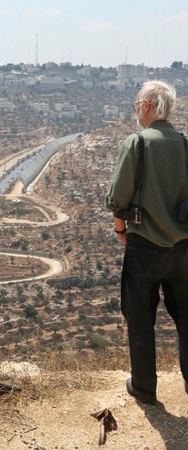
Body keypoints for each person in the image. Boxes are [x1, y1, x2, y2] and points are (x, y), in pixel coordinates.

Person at [106, 80, 188, 405]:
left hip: (143, 249)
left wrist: (120, 230)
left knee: (139, 314)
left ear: (148, 106)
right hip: (183, 250)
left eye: (137, 104)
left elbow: (117, 198)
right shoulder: (185, 145)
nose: (137, 111)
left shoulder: (137, 144)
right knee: (186, 314)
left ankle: (143, 386)